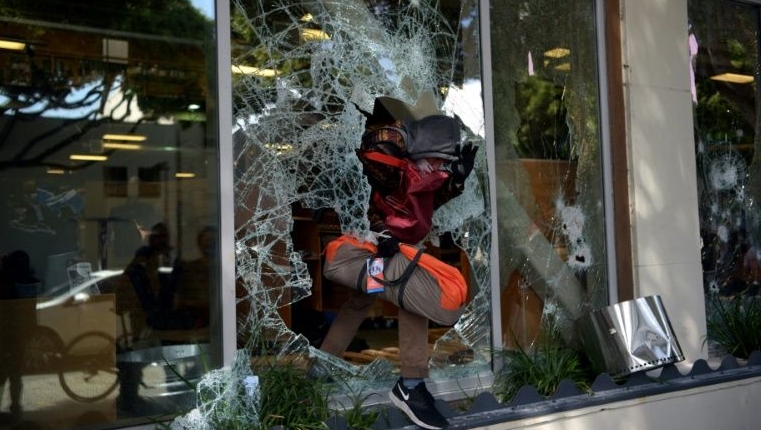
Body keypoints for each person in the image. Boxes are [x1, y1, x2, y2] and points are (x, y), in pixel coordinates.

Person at [317, 97, 477, 430]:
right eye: (438, 160)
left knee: (371, 300)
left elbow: (425, 196)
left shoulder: (418, 161)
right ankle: (409, 386)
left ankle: (324, 368)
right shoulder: (386, 147)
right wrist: (379, 231)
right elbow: (360, 189)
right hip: (372, 241)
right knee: (400, 295)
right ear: (424, 148)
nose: (439, 168)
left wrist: (455, 181)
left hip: (393, 244)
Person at [0, 250, 40, 422]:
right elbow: (31, 312)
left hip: (7, 333)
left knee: (5, 374)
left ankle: (14, 408)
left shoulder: (5, 282)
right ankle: (16, 408)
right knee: (15, 374)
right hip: (17, 334)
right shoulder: (29, 283)